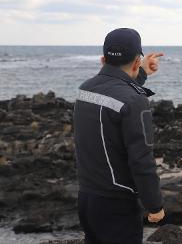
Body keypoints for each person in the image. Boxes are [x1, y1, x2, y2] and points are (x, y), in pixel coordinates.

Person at [73, 28, 165, 244]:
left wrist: (140, 73)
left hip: (87, 198)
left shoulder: (85, 90)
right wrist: (155, 205)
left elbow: (114, 91)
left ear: (103, 59)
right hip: (118, 205)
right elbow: (142, 160)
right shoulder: (135, 101)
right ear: (136, 61)